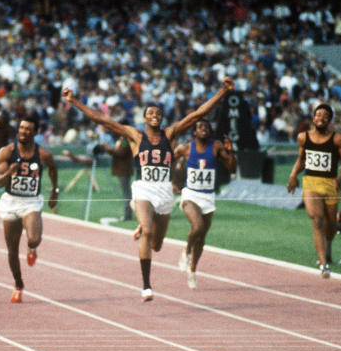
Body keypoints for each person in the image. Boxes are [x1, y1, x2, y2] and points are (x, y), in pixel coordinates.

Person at [63, 77, 234, 301]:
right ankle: (146, 286)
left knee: (157, 244)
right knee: (148, 231)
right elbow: (101, 119)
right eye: (150, 113)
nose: (155, 115)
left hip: (163, 193)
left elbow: (197, 114)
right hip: (143, 189)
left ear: (161, 119)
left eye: (158, 113)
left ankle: (144, 223)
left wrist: (222, 91)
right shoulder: (135, 136)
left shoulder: (170, 134)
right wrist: (74, 100)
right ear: (144, 118)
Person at [0, 114, 59, 303]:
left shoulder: (43, 154)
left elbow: (53, 168)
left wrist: (54, 191)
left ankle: (32, 248)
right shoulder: (6, 152)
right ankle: (18, 284)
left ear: (35, 132)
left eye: (28, 129)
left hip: (31, 202)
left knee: (34, 238)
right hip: (11, 202)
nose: (24, 132)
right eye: (22, 128)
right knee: (12, 250)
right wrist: (9, 172)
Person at [286, 102, 341, 278]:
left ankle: (327, 248)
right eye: (318, 114)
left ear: (330, 120)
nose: (321, 118)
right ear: (313, 118)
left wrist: (339, 178)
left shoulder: (337, 139)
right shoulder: (303, 137)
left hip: (330, 183)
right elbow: (301, 160)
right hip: (311, 183)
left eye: (325, 115)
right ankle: (323, 264)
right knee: (317, 219)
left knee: (330, 225)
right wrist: (293, 175)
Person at [174, 119, 236, 290]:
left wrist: (231, 153)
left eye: (207, 127)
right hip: (190, 195)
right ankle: (186, 252)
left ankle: (193, 270)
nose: (204, 129)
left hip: (208, 197)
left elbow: (232, 169)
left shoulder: (216, 147)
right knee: (198, 226)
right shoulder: (186, 148)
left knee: (201, 238)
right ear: (194, 132)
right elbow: (167, 161)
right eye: (200, 127)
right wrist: (173, 181)